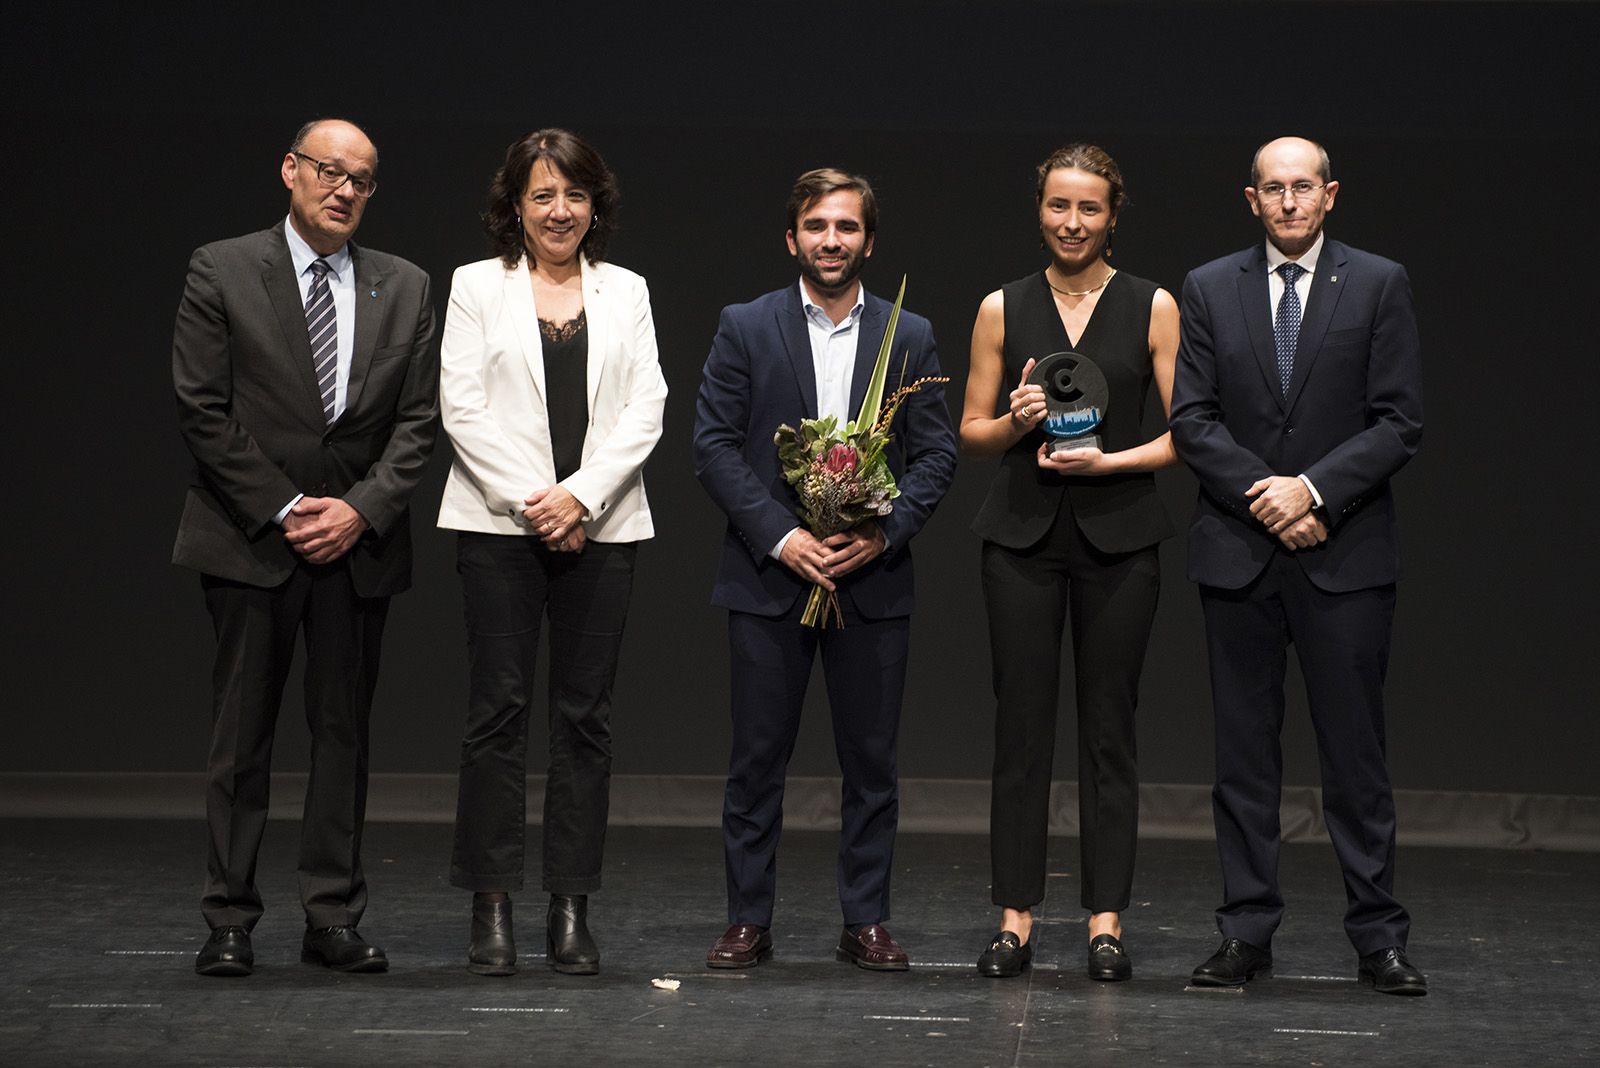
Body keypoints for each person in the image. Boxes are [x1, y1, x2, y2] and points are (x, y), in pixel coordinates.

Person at [172, 118, 439, 977]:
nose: (345, 190)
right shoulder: (222, 267)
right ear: (290, 170)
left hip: (355, 547)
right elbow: (202, 411)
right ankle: (229, 918)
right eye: (330, 171)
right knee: (240, 737)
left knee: (342, 737)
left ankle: (331, 916)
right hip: (253, 539)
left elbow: (416, 424)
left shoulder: (403, 285)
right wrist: (288, 507)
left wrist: (357, 511)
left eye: (362, 179)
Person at [1169, 136, 1426, 995]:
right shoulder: (1209, 287)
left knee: (1356, 759)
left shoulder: (1379, 283)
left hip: (1343, 553)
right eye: (1272, 190)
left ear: (1330, 194)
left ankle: (1378, 938)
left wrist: (1312, 492)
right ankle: (1246, 932)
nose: (1287, 202)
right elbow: (1194, 418)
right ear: (1251, 199)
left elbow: (1398, 422)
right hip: (1241, 555)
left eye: (1302, 187)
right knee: (1244, 760)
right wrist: (1268, 496)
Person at [692, 168, 957, 971]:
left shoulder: (909, 334)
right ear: (792, 238)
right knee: (756, 760)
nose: (831, 240)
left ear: (868, 241)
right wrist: (784, 538)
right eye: (816, 226)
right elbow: (712, 445)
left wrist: (883, 535)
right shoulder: (745, 325)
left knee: (871, 763)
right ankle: (747, 918)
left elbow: (937, 454)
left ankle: (865, 918)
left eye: (846, 227)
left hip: (871, 578)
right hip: (771, 578)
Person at [436, 129, 667, 977]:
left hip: (601, 529)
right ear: (516, 207)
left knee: (585, 721)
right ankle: (490, 903)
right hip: (501, 529)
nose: (559, 210)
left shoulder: (627, 290)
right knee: (495, 716)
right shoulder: (475, 287)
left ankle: (570, 906)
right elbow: (462, 410)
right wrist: (541, 503)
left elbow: (647, 404)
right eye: (541, 195)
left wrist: (583, 497)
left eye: (573, 194)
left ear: (594, 203)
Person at [961, 145, 1179, 981]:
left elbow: (1186, 428)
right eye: (1059, 206)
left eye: (1089, 208)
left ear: (1113, 214)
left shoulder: (1152, 305)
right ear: (1039, 210)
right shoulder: (1001, 306)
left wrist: (1110, 463)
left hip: (1120, 541)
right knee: (1020, 732)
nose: (1073, 222)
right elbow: (972, 435)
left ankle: (1104, 921)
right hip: (1020, 542)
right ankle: (1015, 918)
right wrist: (1018, 421)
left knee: (1109, 732)